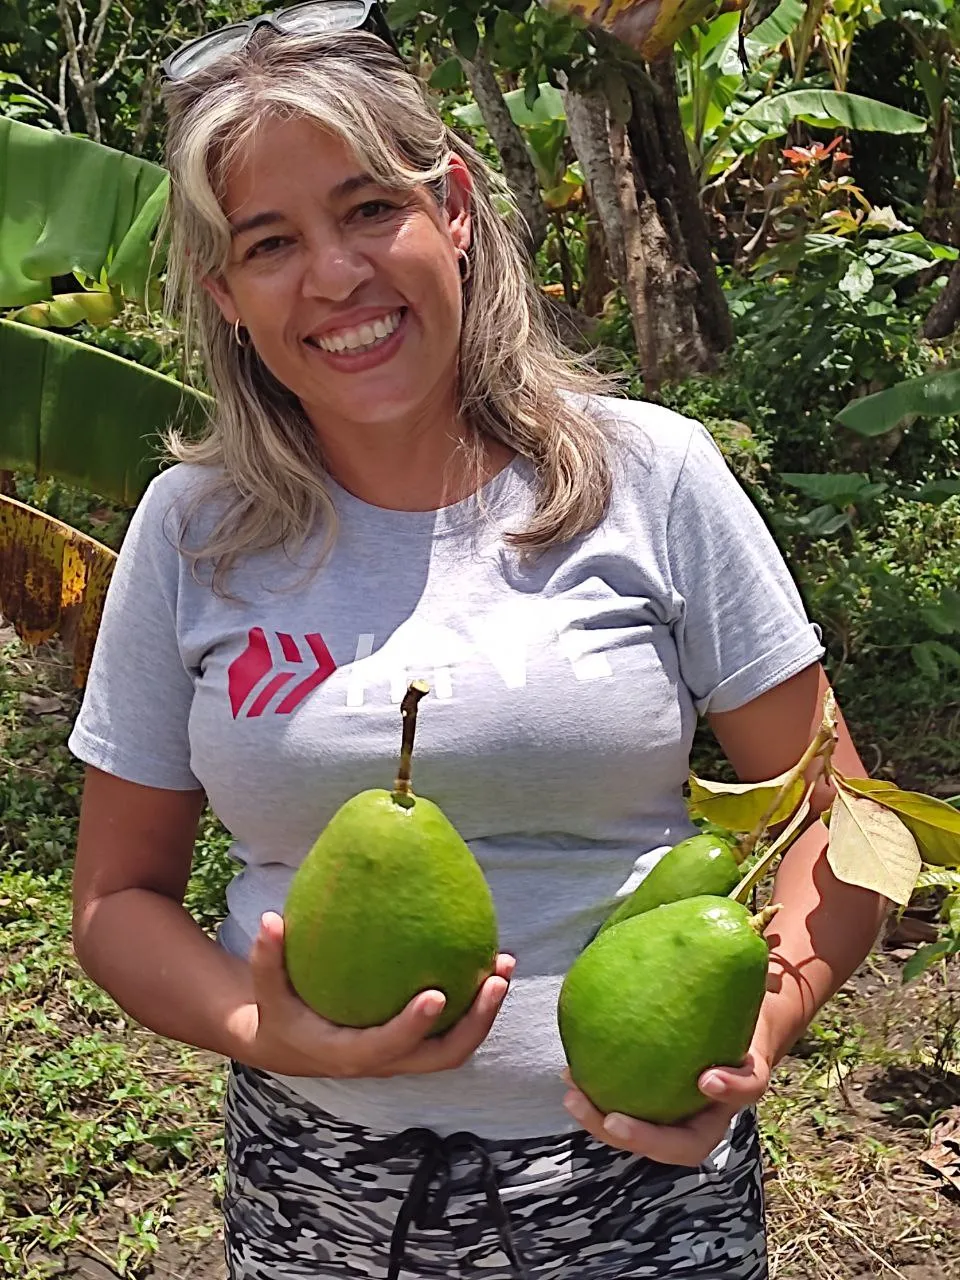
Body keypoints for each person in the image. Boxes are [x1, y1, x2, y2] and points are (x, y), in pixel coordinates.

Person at [67, 6, 889, 1278]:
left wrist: (754, 1033)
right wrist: (269, 1028)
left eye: (367, 209)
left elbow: (841, 816)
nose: (335, 274)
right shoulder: (193, 530)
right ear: (227, 296)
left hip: (641, 1182)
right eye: (271, 242)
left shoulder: (650, 474)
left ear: (451, 207)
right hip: (318, 1190)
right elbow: (117, 899)